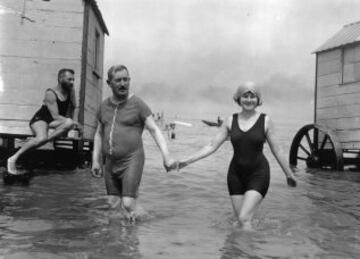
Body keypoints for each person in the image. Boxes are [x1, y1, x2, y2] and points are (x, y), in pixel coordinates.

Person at [173, 81, 297, 230]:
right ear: (238, 98)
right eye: (245, 96)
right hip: (235, 175)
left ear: (258, 100)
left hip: (259, 173)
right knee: (241, 221)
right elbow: (212, 145)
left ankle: (246, 250)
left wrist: (288, 174)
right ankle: (242, 251)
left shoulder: (266, 121)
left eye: (253, 96)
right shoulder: (230, 120)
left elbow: (277, 150)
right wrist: (186, 161)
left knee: (244, 218)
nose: (249, 100)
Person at [91, 65, 174, 223]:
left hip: (131, 159)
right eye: (118, 80)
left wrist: (166, 156)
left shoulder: (138, 104)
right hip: (110, 162)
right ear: (109, 83)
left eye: (126, 79)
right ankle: (119, 241)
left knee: (128, 204)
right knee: (112, 205)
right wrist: (95, 160)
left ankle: (147, 225)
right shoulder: (103, 106)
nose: (123, 84)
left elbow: (154, 130)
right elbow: (98, 134)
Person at [7, 68, 81, 175]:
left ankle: (45, 141)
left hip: (54, 121)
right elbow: (55, 116)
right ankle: (13, 158)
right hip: (41, 119)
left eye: (73, 80)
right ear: (60, 79)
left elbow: (75, 107)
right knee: (41, 137)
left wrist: (73, 121)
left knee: (69, 123)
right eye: (69, 79)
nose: (72, 82)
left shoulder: (71, 90)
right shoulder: (50, 93)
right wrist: (73, 123)